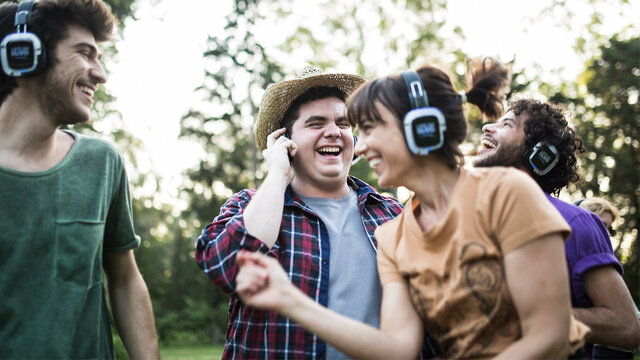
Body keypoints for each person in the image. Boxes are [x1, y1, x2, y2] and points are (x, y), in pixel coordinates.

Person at [234, 58, 590, 359]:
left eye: (370, 129)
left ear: (421, 128)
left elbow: (551, 333)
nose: (359, 147)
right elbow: (398, 347)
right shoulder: (392, 235)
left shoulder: (508, 192)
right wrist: (290, 300)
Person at [195, 66, 404, 359]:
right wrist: (278, 174)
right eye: (316, 123)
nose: (333, 132)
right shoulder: (248, 206)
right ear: (285, 142)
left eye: (343, 124)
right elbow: (229, 271)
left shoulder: (392, 213)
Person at [0, 1, 159, 359]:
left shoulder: (102, 163)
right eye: (85, 54)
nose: (100, 74)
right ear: (24, 53)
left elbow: (124, 279)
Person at [473, 98, 640, 358]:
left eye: (507, 124)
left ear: (540, 153)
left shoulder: (573, 224)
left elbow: (626, 325)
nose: (487, 128)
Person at [577, 197, 640, 359]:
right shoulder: (577, 259)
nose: (605, 233)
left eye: (609, 228)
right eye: (601, 224)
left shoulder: (605, 262)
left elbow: (632, 315)